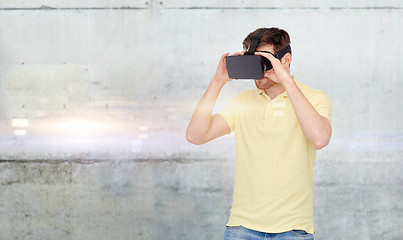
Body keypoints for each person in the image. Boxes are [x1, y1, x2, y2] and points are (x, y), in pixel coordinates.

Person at [186, 27, 332, 240]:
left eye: (265, 61)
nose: (260, 70)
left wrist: (286, 80)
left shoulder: (315, 98)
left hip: (293, 229)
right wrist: (217, 81)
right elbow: (195, 136)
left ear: (286, 59)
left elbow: (320, 139)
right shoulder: (243, 101)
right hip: (242, 227)